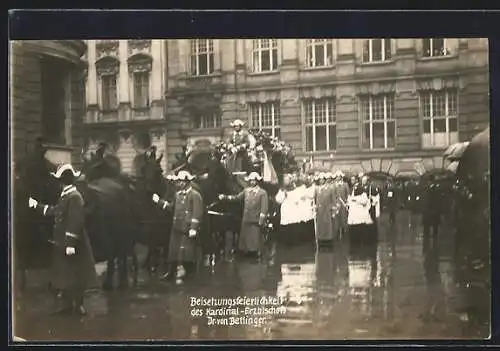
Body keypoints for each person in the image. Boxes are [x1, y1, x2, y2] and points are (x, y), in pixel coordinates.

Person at [28, 164, 97, 315]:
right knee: (66, 274)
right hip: (63, 242)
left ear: (64, 180)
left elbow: (76, 220)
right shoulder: (66, 195)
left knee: (76, 275)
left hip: (73, 243)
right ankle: (67, 305)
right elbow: (56, 211)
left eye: (60, 179)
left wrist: (70, 243)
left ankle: (78, 305)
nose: (58, 182)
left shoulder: (74, 196)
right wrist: (37, 206)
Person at [152, 170, 204, 282]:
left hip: (187, 227)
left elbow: (197, 212)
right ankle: (171, 271)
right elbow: (171, 208)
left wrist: (193, 228)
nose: (178, 183)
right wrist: (159, 202)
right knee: (174, 250)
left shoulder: (195, 195)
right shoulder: (178, 195)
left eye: (180, 181)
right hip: (177, 226)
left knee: (186, 251)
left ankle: (187, 271)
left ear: (186, 182)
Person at [218, 172, 269, 259]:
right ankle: (246, 251)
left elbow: (264, 207)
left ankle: (255, 252)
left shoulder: (262, 193)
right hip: (246, 218)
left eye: (254, 181)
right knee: (246, 236)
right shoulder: (246, 191)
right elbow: (237, 198)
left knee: (254, 237)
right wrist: (226, 197)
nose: (252, 182)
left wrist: (261, 218)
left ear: (257, 181)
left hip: (255, 219)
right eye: (251, 181)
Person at [313, 172, 337, 246]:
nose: (321, 181)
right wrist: (315, 209)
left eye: (322, 179)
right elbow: (315, 199)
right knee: (320, 225)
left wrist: (333, 211)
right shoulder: (317, 189)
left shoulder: (330, 188)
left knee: (328, 225)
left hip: (327, 210)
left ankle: (328, 240)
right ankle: (321, 239)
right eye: (320, 179)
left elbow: (333, 200)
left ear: (325, 180)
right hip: (320, 210)